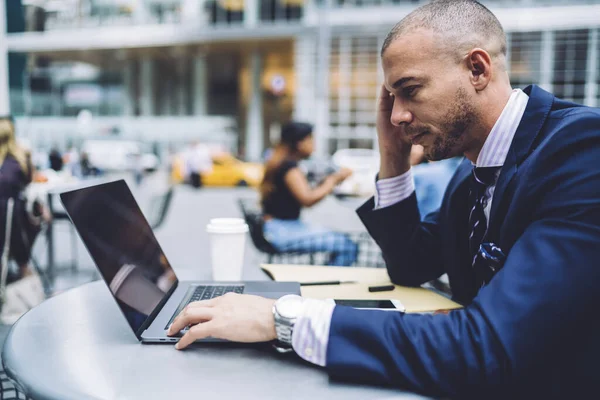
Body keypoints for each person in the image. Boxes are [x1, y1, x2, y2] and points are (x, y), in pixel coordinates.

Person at [167, 1, 600, 398]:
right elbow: (411, 263)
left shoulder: (581, 149)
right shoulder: (472, 169)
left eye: (410, 90)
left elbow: (487, 347)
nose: (396, 116)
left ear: (477, 69)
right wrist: (393, 156)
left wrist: (284, 319)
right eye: (391, 99)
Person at [260, 121, 358, 266]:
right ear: (299, 143)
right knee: (348, 246)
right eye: (311, 139)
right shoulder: (289, 168)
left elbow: (303, 192)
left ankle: (325, 278)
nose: (314, 145)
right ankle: (327, 282)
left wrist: (328, 181)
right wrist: (333, 180)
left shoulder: (280, 161)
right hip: (282, 230)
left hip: (276, 226)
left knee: (341, 241)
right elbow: (307, 199)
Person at [0, 117, 42, 279]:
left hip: (7, 218)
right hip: (14, 219)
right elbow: (29, 180)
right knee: (35, 222)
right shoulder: (20, 158)